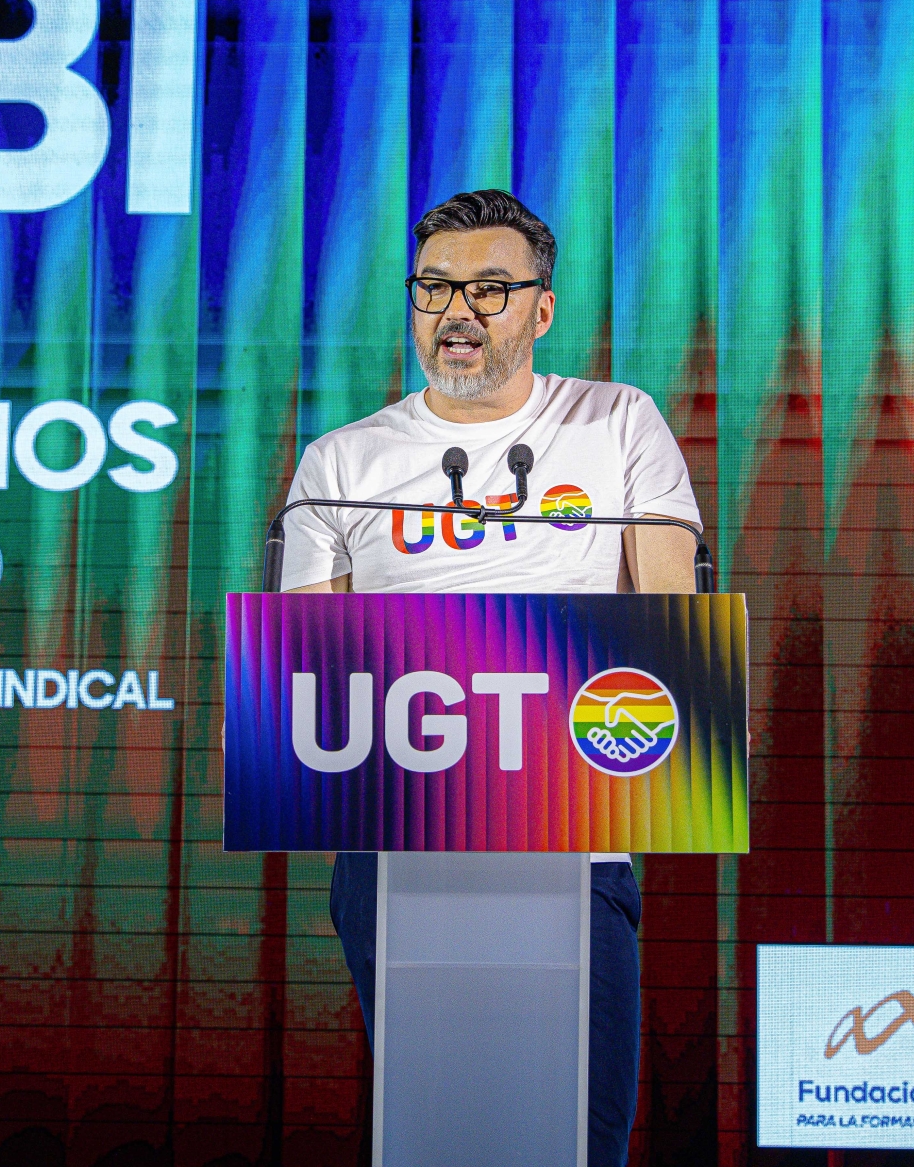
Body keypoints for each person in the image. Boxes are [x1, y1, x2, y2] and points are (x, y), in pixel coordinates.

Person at [276, 188, 702, 1166]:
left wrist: (696, 704)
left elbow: (672, 624)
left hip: (571, 840)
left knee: (579, 1137)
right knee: (442, 1134)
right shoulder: (342, 461)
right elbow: (309, 671)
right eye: (434, 287)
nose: (457, 311)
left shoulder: (617, 422)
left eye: (489, 288)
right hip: (398, 845)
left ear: (541, 309)